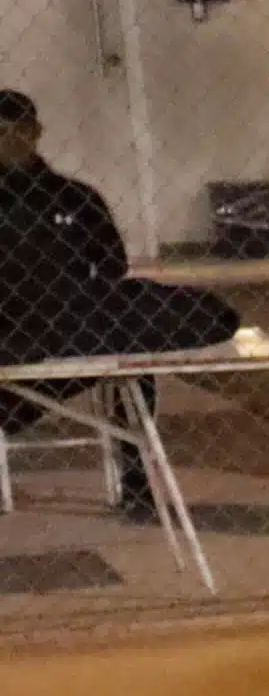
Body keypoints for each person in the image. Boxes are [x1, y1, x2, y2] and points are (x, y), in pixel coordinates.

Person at [0, 90, 238, 521]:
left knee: (136, 354)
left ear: (37, 133)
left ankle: (135, 476)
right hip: (12, 330)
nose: (11, 142)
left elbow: (112, 265)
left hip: (73, 323)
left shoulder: (74, 197)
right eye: (1, 133)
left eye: (20, 131)